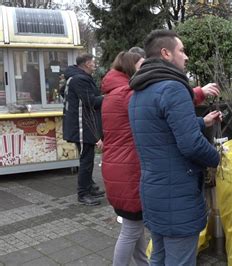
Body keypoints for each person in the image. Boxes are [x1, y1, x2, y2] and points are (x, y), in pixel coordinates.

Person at [128, 29, 221, 266]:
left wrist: (202, 122)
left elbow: (161, 132)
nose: (186, 56)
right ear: (166, 53)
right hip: (178, 195)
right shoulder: (173, 87)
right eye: (182, 50)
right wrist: (216, 156)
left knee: (158, 257)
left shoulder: (140, 91)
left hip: (153, 191)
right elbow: (191, 145)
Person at [101, 51, 147, 266]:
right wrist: (198, 93)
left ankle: (143, 263)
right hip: (129, 170)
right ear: (131, 68)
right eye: (141, 66)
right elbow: (157, 104)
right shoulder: (127, 93)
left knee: (134, 227)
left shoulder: (113, 92)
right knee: (131, 230)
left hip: (117, 167)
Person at [62, 53, 105, 206]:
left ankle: (90, 187)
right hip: (80, 125)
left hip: (80, 124)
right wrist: (108, 97)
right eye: (93, 62)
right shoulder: (80, 79)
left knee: (88, 157)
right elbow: (91, 101)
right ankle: (83, 194)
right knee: (86, 160)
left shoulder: (74, 77)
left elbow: (63, 93)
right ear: (87, 63)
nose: (95, 64)